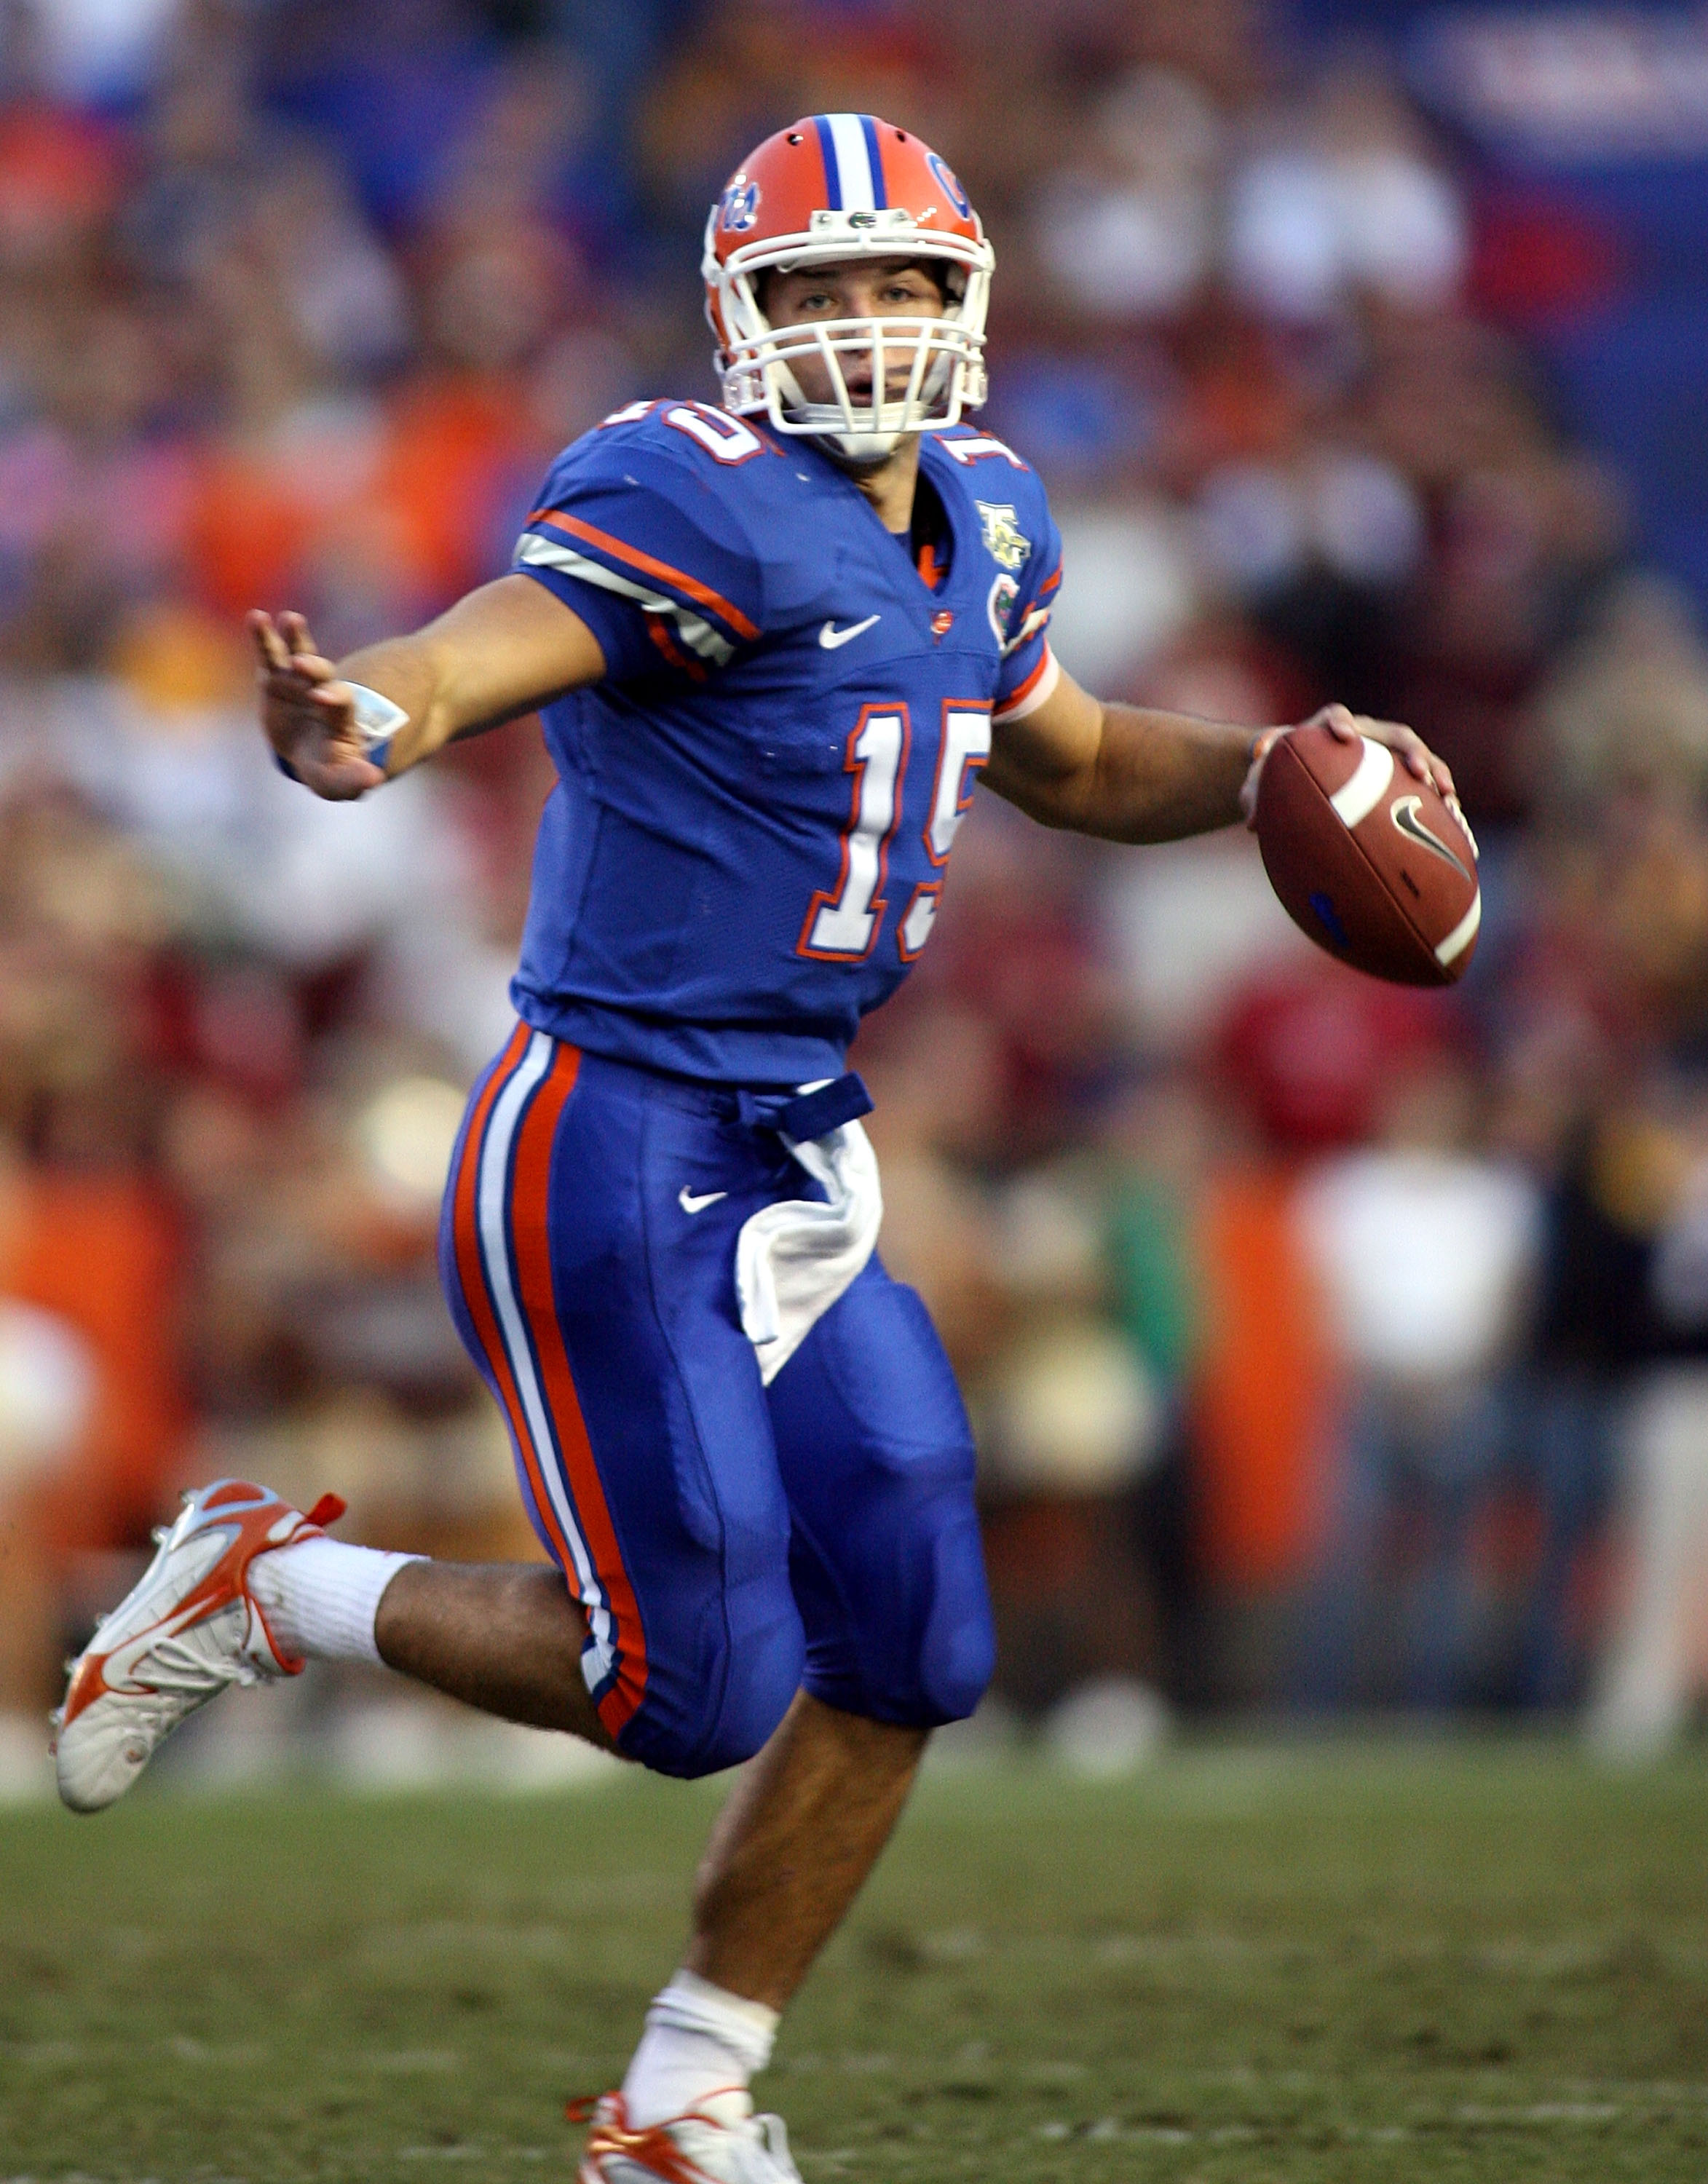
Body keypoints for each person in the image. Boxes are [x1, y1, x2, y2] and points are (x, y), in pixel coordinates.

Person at [51, 116, 1450, 2184]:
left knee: (912, 1642)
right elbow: (490, 643)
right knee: (687, 1686)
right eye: (817, 288)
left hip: (800, 1140)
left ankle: (683, 2097)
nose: (865, 324)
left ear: (966, 302)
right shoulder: (683, 494)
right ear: (740, 320)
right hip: (611, 1134)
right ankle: (271, 1586)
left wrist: (1262, 773)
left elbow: (1061, 754)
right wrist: (376, 716)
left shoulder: (986, 510)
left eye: (898, 282)